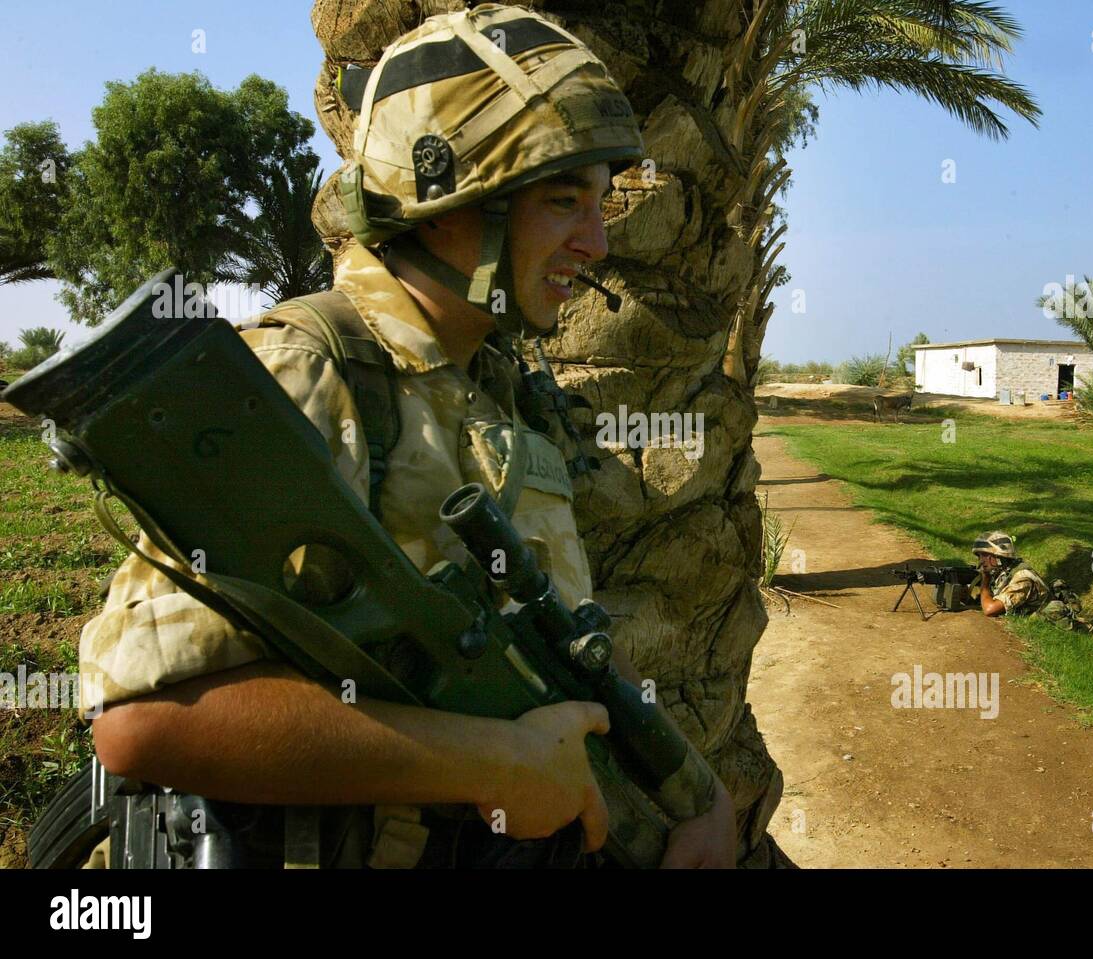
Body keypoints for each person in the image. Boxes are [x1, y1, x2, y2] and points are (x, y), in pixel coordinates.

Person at [80, 4, 734, 868]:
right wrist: (485, 765)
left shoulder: (506, 387)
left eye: (601, 203)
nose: (597, 240)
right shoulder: (306, 372)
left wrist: (702, 800)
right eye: (563, 200)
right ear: (442, 206)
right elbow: (142, 721)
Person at [971, 530, 1085, 630]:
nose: (981, 561)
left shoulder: (1021, 577)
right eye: (979, 556)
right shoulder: (1003, 573)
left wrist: (984, 582)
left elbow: (990, 609)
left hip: (1066, 626)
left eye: (984, 555)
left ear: (998, 557)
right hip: (1044, 622)